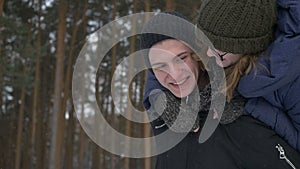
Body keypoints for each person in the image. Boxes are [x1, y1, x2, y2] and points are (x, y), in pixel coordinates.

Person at [141, 6, 300, 169]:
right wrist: (156, 97)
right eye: (160, 67)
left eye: (181, 58)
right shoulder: (166, 115)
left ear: (199, 52)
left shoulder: (254, 85)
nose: (174, 74)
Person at [196, 0, 300, 152]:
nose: (208, 53)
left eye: (218, 51)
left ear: (248, 47)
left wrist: (251, 107)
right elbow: (162, 52)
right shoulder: (224, 56)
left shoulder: (291, 80)